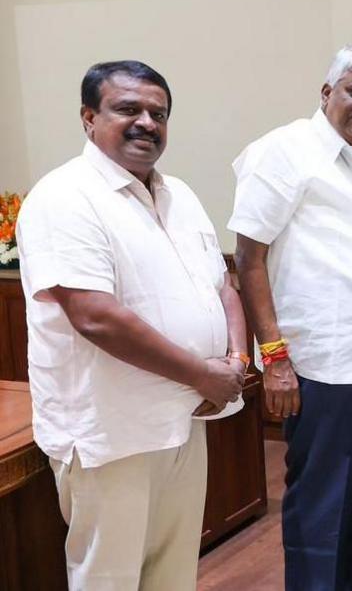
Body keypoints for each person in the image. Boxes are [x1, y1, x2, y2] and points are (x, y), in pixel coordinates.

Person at [16, 60, 247, 590]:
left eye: (158, 113)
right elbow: (95, 317)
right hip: (111, 433)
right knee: (110, 580)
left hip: (184, 419)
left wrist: (234, 362)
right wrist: (202, 373)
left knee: (172, 574)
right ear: (88, 118)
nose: (147, 122)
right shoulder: (64, 197)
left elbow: (222, 286)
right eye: (128, 109)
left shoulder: (179, 194)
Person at [228, 45, 352, 590]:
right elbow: (248, 257)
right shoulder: (284, 151)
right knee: (321, 507)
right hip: (324, 365)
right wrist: (275, 358)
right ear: (327, 91)